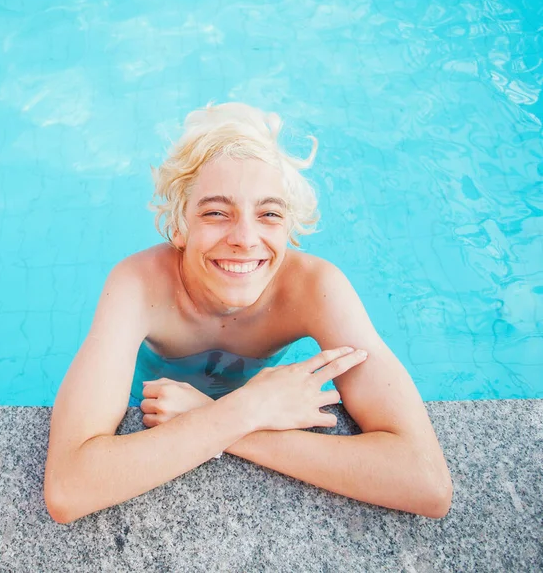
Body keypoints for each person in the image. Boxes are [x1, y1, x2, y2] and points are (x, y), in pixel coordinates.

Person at [44, 102, 453, 524]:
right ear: (181, 224)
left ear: (289, 227)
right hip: (147, 400)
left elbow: (425, 482)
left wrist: (218, 418)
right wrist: (249, 409)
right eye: (217, 213)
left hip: (197, 406)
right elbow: (69, 487)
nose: (245, 238)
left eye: (269, 214)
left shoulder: (315, 289)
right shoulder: (138, 285)